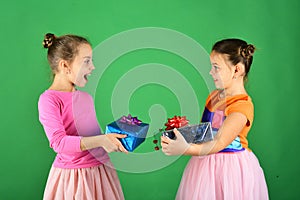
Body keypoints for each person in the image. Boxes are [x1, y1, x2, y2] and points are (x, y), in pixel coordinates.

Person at [161, 38, 269, 199]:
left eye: (216, 67)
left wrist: (185, 149)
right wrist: (182, 134)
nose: (211, 72)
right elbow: (207, 131)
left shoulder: (241, 106)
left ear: (237, 70)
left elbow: (219, 142)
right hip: (204, 164)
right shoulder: (214, 97)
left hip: (230, 169)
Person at [38, 33, 128, 200]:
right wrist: (102, 140)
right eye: (86, 61)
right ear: (65, 66)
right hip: (74, 178)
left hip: (101, 172)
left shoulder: (86, 98)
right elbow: (59, 143)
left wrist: (116, 136)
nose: (92, 67)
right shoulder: (49, 100)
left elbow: (93, 138)